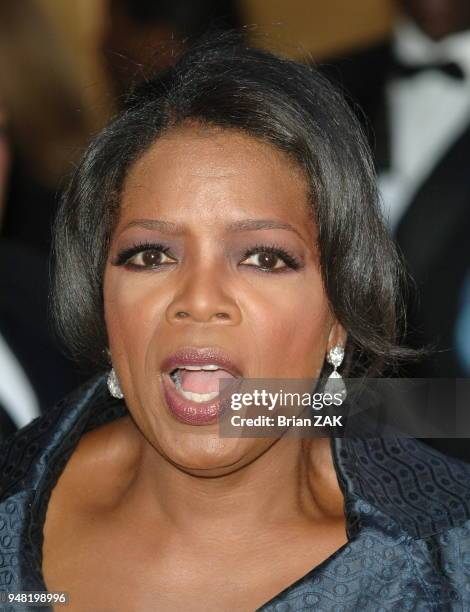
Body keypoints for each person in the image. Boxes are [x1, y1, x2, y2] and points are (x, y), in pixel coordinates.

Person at [1, 36, 470, 611]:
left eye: (263, 258)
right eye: (151, 255)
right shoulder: (12, 499)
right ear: (103, 298)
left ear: (340, 315)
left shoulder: (446, 561)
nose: (199, 300)